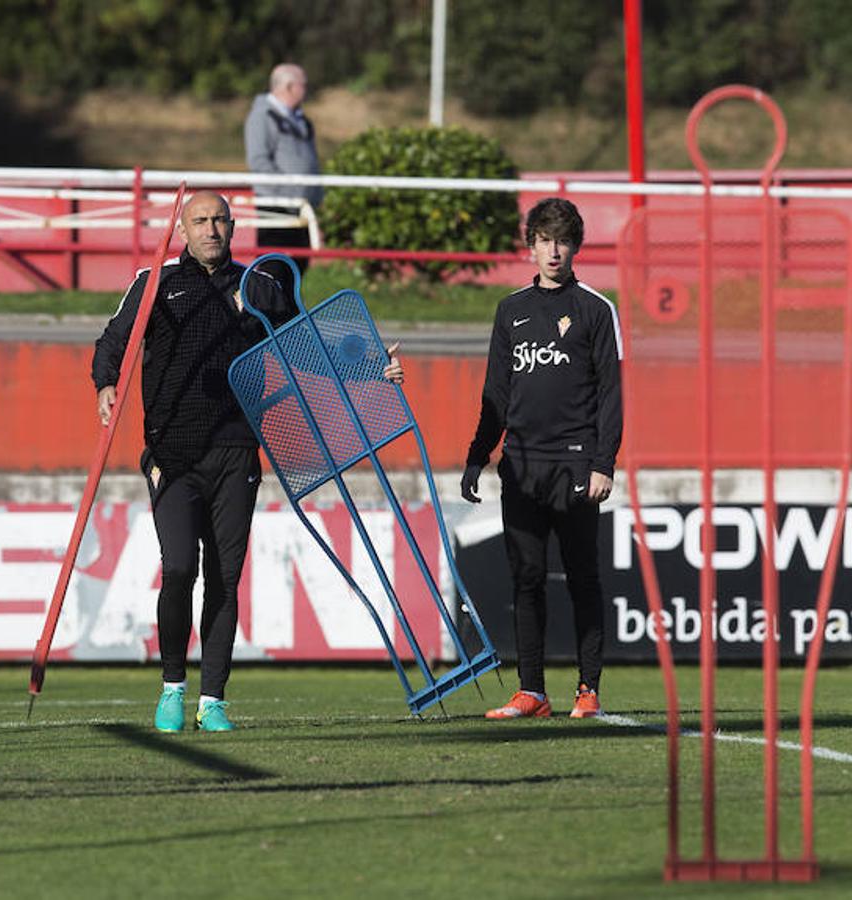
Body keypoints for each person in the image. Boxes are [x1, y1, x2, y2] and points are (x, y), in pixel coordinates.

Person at [92, 192, 403, 733]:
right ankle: (172, 686)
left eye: (220, 220)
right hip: (172, 453)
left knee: (225, 577)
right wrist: (105, 383)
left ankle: (213, 700)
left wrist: (374, 368)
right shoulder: (155, 283)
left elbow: (309, 344)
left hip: (236, 450)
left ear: (233, 226)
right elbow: (113, 341)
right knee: (179, 569)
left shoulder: (258, 285)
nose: (211, 229)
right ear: (182, 230)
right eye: (200, 221)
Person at [461, 197, 623, 720]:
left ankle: (588, 689)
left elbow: (611, 397)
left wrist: (604, 463)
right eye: (545, 240)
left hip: (576, 466)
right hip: (522, 466)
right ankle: (532, 691)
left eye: (564, 240)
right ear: (531, 247)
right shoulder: (511, 311)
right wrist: (476, 456)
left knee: (582, 578)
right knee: (526, 578)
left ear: (576, 246)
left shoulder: (596, 310)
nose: (554, 250)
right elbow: (496, 393)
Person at [244, 63, 322, 274]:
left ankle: (290, 308)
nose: (306, 90)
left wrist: (314, 197)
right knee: (274, 269)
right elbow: (259, 162)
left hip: (301, 207)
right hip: (276, 207)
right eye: (303, 85)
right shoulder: (262, 117)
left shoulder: (301, 120)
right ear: (288, 87)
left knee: (299, 266)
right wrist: (289, 194)